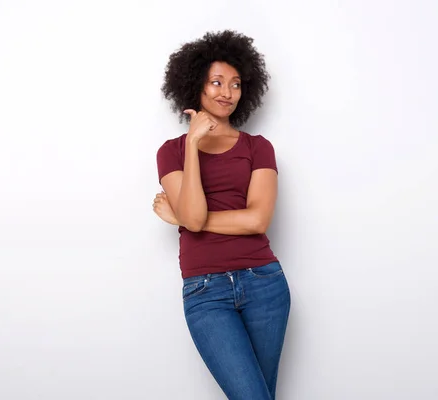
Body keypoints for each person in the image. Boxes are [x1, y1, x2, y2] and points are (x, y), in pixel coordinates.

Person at [152, 30, 291, 400]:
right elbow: (196, 216)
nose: (226, 92)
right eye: (216, 82)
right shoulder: (171, 152)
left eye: (235, 84)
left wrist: (182, 218)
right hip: (205, 292)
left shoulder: (258, 148)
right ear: (195, 84)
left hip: (264, 283)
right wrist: (194, 145)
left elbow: (256, 220)